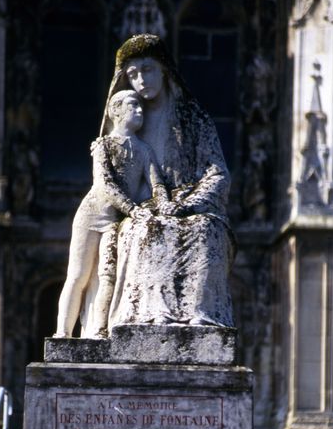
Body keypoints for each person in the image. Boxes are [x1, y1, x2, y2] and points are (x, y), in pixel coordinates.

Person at [82, 34, 236, 332]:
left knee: (206, 231)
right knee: (143, 233)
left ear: (164, 68)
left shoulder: (193, 118)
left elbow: (218, 172)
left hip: (192, 207)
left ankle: (199, 318)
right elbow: (111, 181)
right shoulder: (125, 125)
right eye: (133, 74)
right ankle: (148, 318)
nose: (141, 80)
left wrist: (186, 205)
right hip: (142, 211)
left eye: (148, 69)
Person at [54, 89, 168, 338]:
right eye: (132, 105)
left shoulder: (144, 150)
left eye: (140, 106)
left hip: (116, 221)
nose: (139, 111)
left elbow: (156, 183)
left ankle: (99, 330)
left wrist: (165, 203)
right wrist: (132, 209)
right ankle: (62, 334)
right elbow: (105, 184)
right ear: (115, 111)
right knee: (78, 276)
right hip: (92, 215)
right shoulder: (104, 145)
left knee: (107, 275)